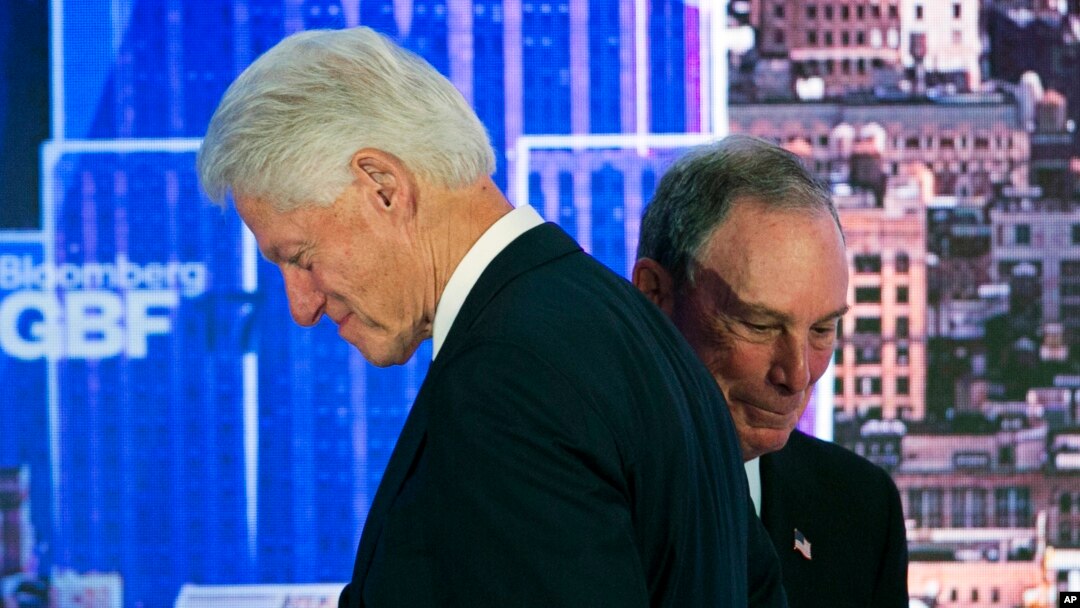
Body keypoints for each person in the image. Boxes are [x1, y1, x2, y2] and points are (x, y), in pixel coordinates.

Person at [197, 27, 762, 607]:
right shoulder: (634, 333)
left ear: (383, 187)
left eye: (300, 257)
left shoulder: (508, 377)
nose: (301, 305)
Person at [633, 135, 909, 608]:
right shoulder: (564, 488)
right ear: (655, 294)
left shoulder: (861, 509)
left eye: (823, 329)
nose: (798, 375)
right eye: (760, 325)